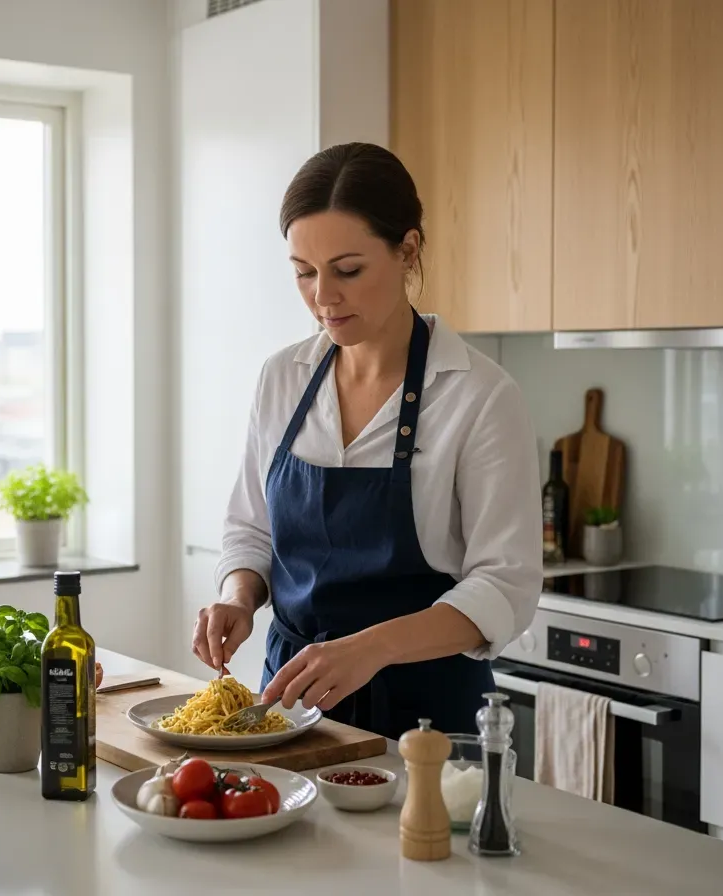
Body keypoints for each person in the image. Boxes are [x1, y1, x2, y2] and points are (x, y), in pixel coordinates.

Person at [192, 142, 542, 740]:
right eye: (304, 272)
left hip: (428, 722)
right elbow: (251, 530)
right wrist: (238, 596)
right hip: (291, 710)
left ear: (407, 250)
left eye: (348, 270)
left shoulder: (479, 395)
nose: (323, 297)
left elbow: (505, 587)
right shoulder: (284, 377)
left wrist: (370, 649)